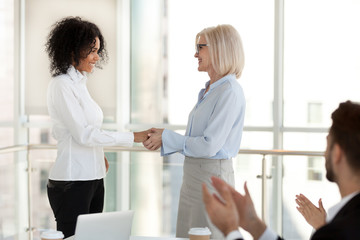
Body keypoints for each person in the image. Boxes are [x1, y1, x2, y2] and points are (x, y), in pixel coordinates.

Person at [45, 17, 149, 238]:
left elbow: (88, 130)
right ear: (73, 50)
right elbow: (83, 134)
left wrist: (97, 155)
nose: (96, 57)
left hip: (94, 177)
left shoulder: (81, 84)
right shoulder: (61, 85)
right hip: (72, 182)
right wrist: (133, 137)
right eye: (92, 50)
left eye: (98, 50)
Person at [143, 24, 246, 239]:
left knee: (209, 235)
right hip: (193, 177)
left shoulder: (230, 92)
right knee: (188, 234)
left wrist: (168, 137)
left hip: (212, 179)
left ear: (220, 49)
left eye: (201, 47)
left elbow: (209, 145)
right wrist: (166, 136)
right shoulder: (209, 90)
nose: (195, 53)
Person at [203, 100, 360, 240]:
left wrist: (230, 229)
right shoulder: (344, 223)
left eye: (327, 145)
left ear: (337, 154)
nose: (324, 154)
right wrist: (254, 224)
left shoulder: (338, 231)